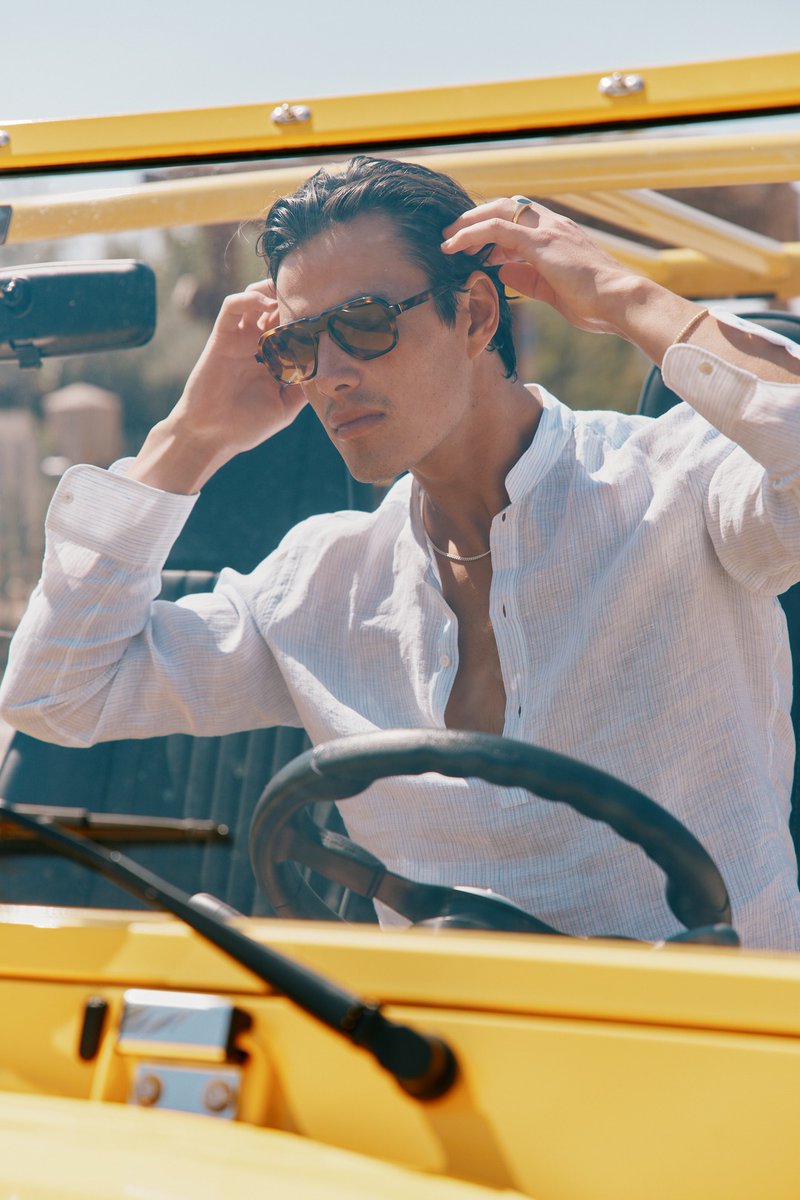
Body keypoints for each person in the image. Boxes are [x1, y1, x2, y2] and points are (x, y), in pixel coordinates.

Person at [2, 155, 800, 948]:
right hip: (432, 1058)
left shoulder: (681, 481)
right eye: (300, 344)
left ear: (478, 316)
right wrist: (188, 438)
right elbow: (56, 693)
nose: (329, 376)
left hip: (723, 1046)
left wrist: (629, 299)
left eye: (363, 324)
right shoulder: (321, 582)